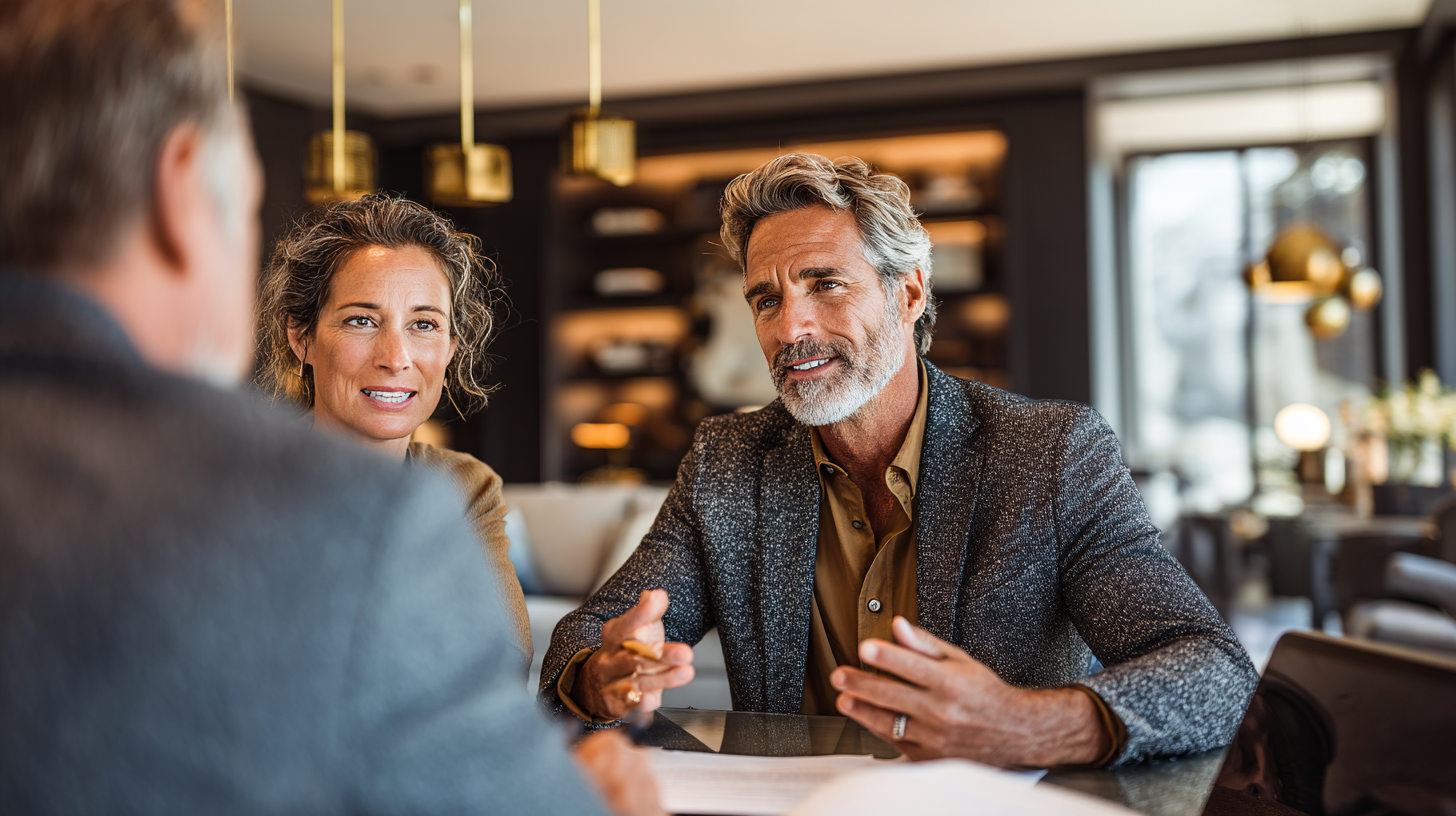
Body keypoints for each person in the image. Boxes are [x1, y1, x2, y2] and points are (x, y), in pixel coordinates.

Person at [0, 1, 659, 814]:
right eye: (242, 205)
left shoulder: (448, 490)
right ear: (180, 191)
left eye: (425, 325)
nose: (396, 355)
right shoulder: (349, 517)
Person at [541, 153, 1259, 768]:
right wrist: (605, 674)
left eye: (826, 283)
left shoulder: (1049, 454)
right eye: (766, 299)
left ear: (909, 291)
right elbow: (586, 636)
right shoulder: (729, 462)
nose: (791, 326)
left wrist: (1029, 724)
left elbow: (1214, 673)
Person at [255, 195, 531, 663]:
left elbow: (501, 661)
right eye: (361, 321)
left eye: (423, 324)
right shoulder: (237, 478)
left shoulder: (464, 486)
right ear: (302, 338)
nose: (395, 357)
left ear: (449, 349)